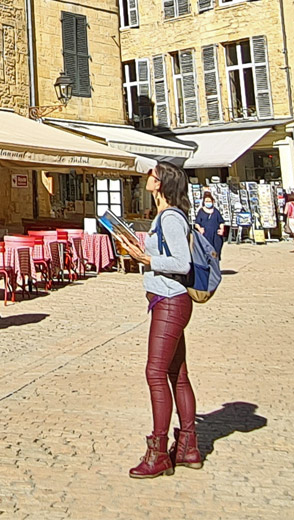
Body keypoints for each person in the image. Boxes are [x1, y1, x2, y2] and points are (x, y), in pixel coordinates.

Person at [112, 162, 201, 477]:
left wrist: (146, 258)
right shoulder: (164, 216)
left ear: (162, 183)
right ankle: (188, 447)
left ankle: (159, 451)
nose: (149, 177)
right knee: (177, 374)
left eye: (153, 175)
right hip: (169, 300)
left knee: (155, 372)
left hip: (170, 301)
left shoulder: (170, 217)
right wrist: (140, 250)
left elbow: (182, 263)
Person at [194, 191, 227, 265]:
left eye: (209, 201)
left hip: (216, 236)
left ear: (212, 201)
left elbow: (221, 222)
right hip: (205, 236)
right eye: (206, 201)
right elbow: (197, 223)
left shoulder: (216, 211)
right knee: (206, 253)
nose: (208, 203)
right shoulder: (201, 211)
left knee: (215, 253)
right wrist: (200, 229)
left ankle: (215, 266)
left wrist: (222, 229)